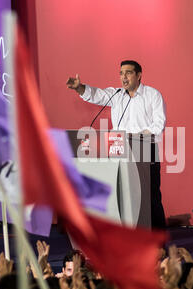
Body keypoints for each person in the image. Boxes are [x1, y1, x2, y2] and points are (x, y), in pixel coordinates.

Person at [66, 60, 167, 229]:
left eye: (128, 73)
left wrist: (137, 136)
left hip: (145, 151)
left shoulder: (153, 95)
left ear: (139, 75)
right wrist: (79, 88)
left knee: (151, 197)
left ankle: (158, 242)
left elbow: (159, 124)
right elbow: (96, 95)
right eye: (121, 73)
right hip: (120, 151)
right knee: (125, 196)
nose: (123, 77)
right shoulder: (116, 95)